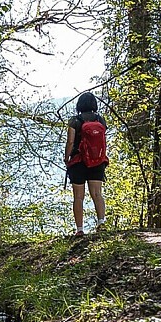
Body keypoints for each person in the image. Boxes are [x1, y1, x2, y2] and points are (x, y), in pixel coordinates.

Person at [64, 91, 108, 236]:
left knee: (78, 196)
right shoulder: (100, 120)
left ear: (79, 105)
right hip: (97, 161)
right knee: (97, 193)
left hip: (78, 161)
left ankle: (80, 229)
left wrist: (66, 158)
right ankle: (101, 222)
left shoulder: (74, 121)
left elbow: (70, 141)